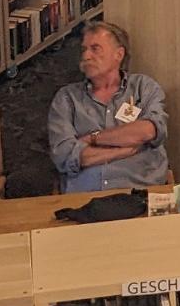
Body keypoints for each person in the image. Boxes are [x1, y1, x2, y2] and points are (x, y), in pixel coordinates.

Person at [47, 22, 170, 193]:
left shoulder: (143, 87)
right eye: (84, 49)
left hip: (140, 191)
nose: (86, 56)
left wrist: (92, 139)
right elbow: (65, 155)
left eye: (95, 48)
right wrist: (122, 151)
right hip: (85, 199)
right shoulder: (67, 98)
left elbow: (148, 131)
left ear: (118, 54)